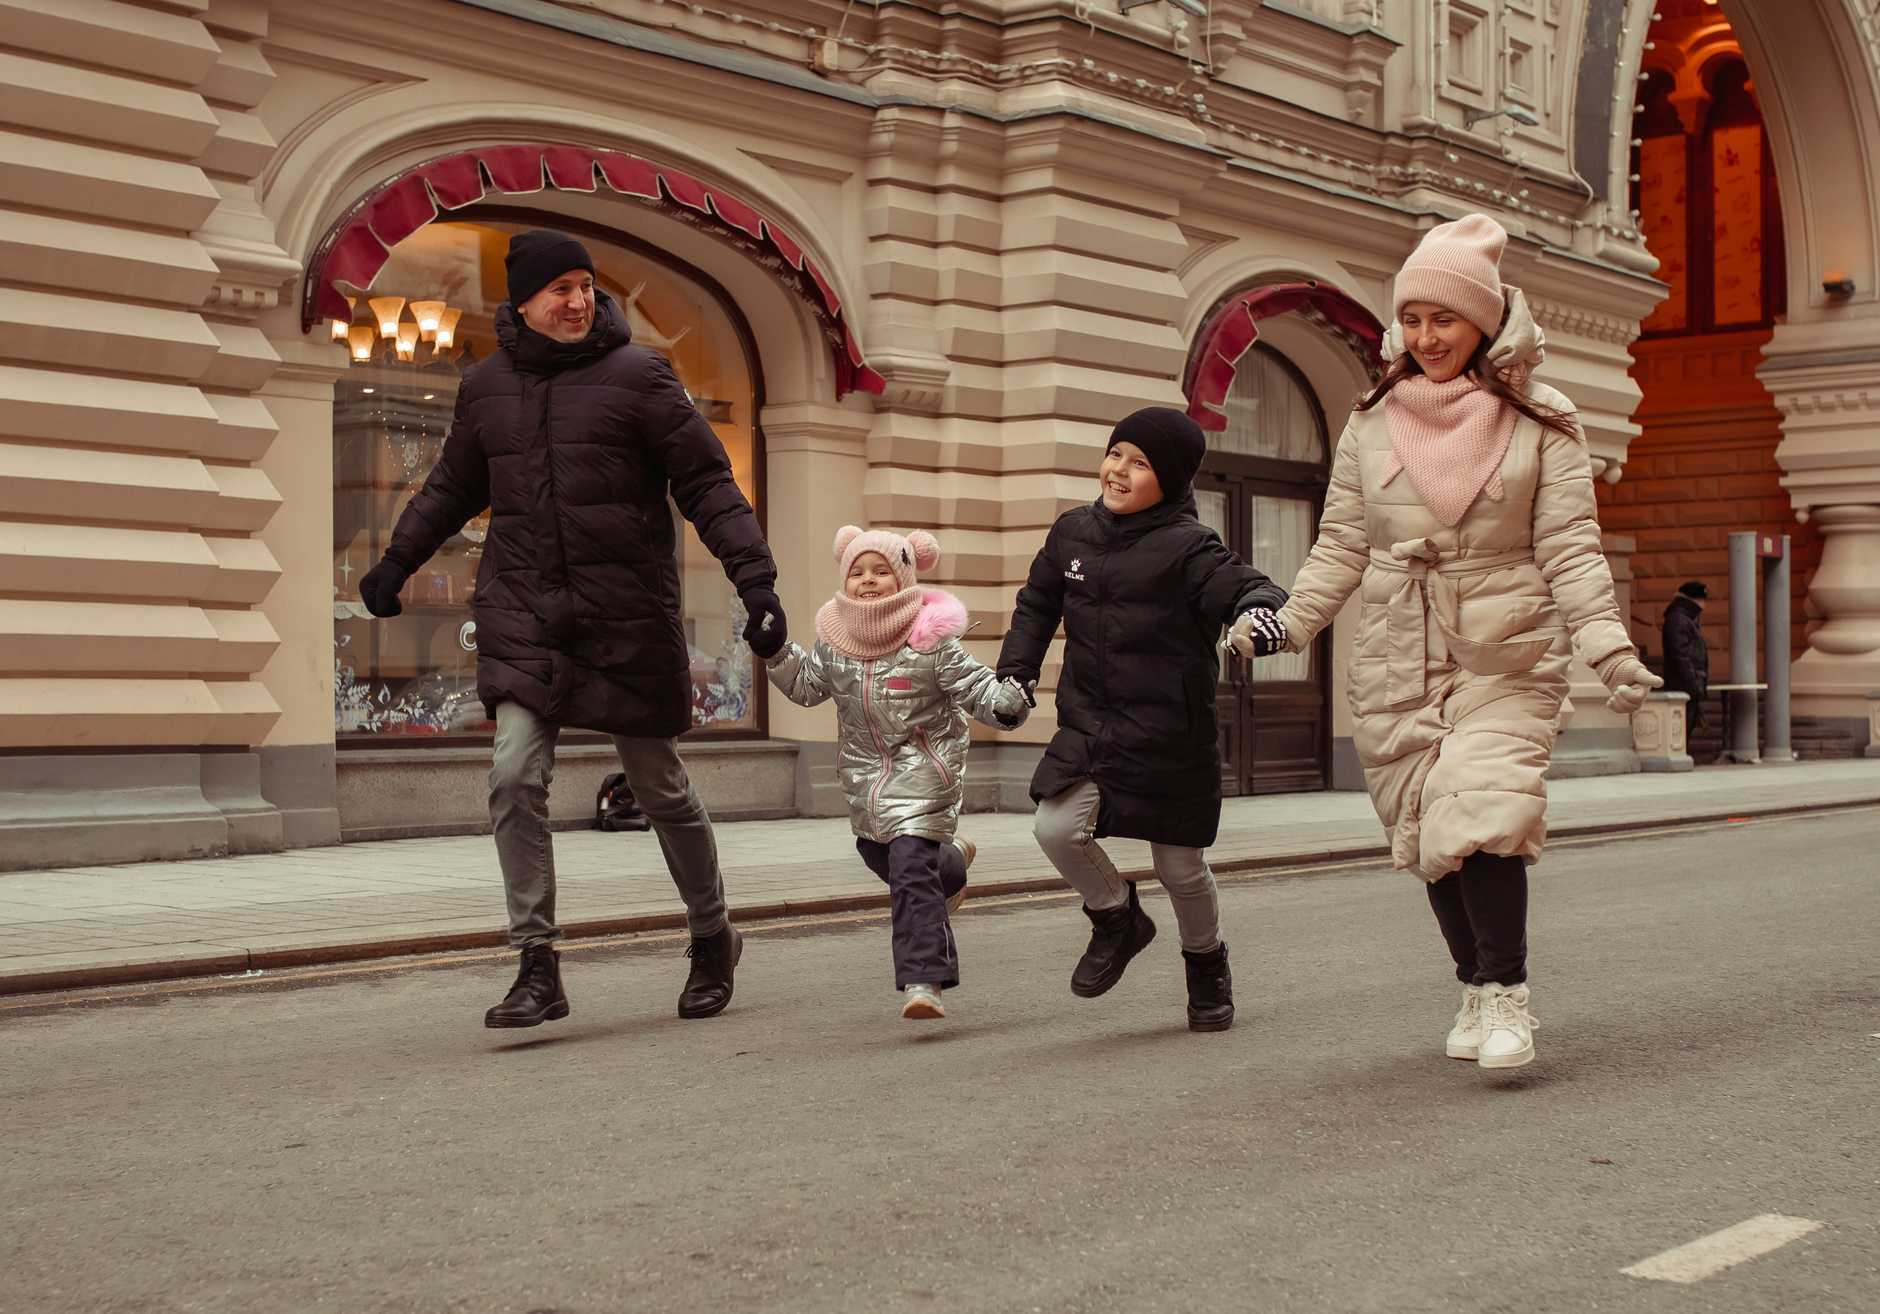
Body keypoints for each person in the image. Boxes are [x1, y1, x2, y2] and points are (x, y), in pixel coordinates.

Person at [1232, 214, 1660, 1070]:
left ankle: (1508, 997)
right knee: (1428, 822)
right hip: (1397, 646)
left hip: (1506, 645)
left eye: (1447, 319)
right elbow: (1342, 543)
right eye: (1415, 318)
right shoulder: (1371, 420)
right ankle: (1472, 981)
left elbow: (1570, 547)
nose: (1427, 337)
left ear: (1486, 321)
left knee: (1486, 804)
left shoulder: (1545, 420)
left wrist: (1607, 648)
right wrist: (1291, 622)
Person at [359, 229, 787, 1030]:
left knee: (659, 787)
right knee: (514, 774)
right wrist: (397, 562)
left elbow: (706, 481)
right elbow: (453, 485)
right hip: (525, 611)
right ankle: (537, 964)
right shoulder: (486, 385)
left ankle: (711, 934)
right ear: (522, 300)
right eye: (560, 288)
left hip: (624, 613)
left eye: (586, 286)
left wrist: (754, 580)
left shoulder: (640, 374)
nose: (578, 300)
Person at [996, 407, 1288, 1032]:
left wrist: (1260, 615)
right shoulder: (1071, 532)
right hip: (1089, 722)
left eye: (1140, 463)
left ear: (1172, 479)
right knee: (1054, 827)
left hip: (1170, 732)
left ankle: (1206, 964)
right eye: (1116, 454)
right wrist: (1015, 677)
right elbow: (1036, 605)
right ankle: (1117, 916)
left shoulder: (1190, 546)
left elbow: (1249, 587)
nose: (1119, 470)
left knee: (1179, 868)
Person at [766, 526, 1029, 1020]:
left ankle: (924, 980)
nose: (868, 581)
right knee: (881, 856)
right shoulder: (836, 644)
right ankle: (951, 860)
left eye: (881, 572)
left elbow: (978, 690)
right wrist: (776, 650)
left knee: (910, 871)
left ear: (904, 577)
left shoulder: (932, 644)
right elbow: (805, 687)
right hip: (865, 781)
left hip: (923, 773)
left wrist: (1009, 701)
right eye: (858, 572)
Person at [1661, 580, 1710, 729]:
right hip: (1684, 684)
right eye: (1700, 599)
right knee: (1683, 726)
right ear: (1692, 600)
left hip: (1686, 683)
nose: (1703, 603)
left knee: (1686, 725)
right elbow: (1680, 654)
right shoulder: (1680, 620)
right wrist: (1691, 682)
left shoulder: (1683, 619)